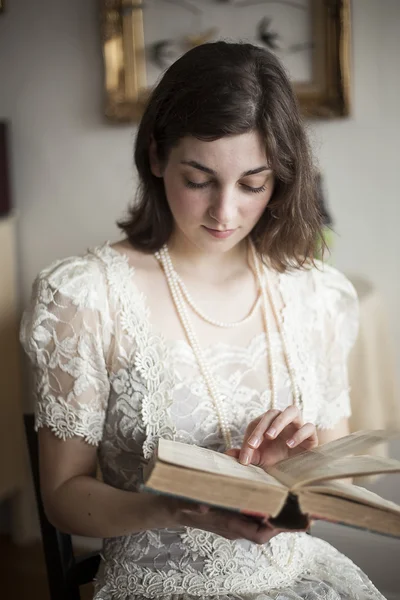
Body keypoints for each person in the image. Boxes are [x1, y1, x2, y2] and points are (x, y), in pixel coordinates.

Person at [20, 41, 385, 600]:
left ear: (281, 176)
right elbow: (65, 497)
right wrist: (172, 507)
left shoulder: (318, 294)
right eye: (199, 179)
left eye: (253, 184)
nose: (225, 211)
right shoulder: (85, 296)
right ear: (157, 156)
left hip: (297, 581)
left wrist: (296, 470)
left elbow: (340, 478)